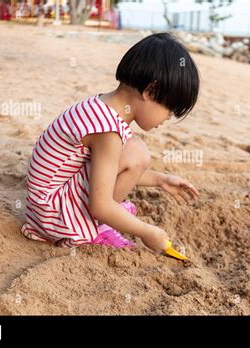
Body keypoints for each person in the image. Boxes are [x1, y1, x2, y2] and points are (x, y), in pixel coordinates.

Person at [21, 32, 200, 254]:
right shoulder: (108, 133)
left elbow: (107, 169)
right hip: (52, 217)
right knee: (136, 152)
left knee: (133, 151)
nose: (167, 119)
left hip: (43, 206)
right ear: (150, 91)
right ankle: (93, 229)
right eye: (169, 110)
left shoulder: (100, 108)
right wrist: (147, 232)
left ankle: (99, 217)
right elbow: (100, 205)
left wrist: (160, 180)